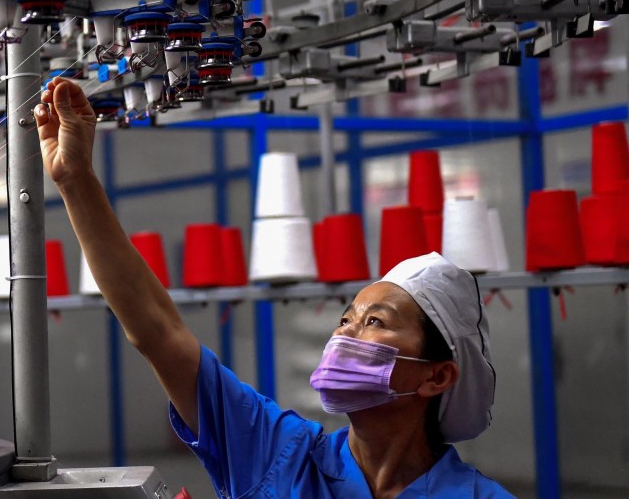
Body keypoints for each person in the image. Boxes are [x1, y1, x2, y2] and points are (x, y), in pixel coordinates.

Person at [35, 78, 513, 499]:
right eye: (345, 318)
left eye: (374, 322)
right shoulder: (275, 454)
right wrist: (76, 180)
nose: (344, 334)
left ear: (437, 376)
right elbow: (158, 332)